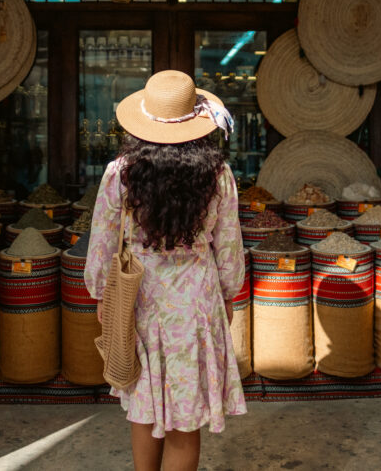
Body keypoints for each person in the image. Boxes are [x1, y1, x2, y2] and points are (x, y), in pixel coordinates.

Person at [85, 70, 247, 471]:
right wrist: (227, 296)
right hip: (196, 299)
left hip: (140, 295)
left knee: (143, 402)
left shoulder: (119, 173)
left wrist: (103, 294)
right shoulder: (218, 174)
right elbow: (228, 245)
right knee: (185, 415)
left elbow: (103, 243)